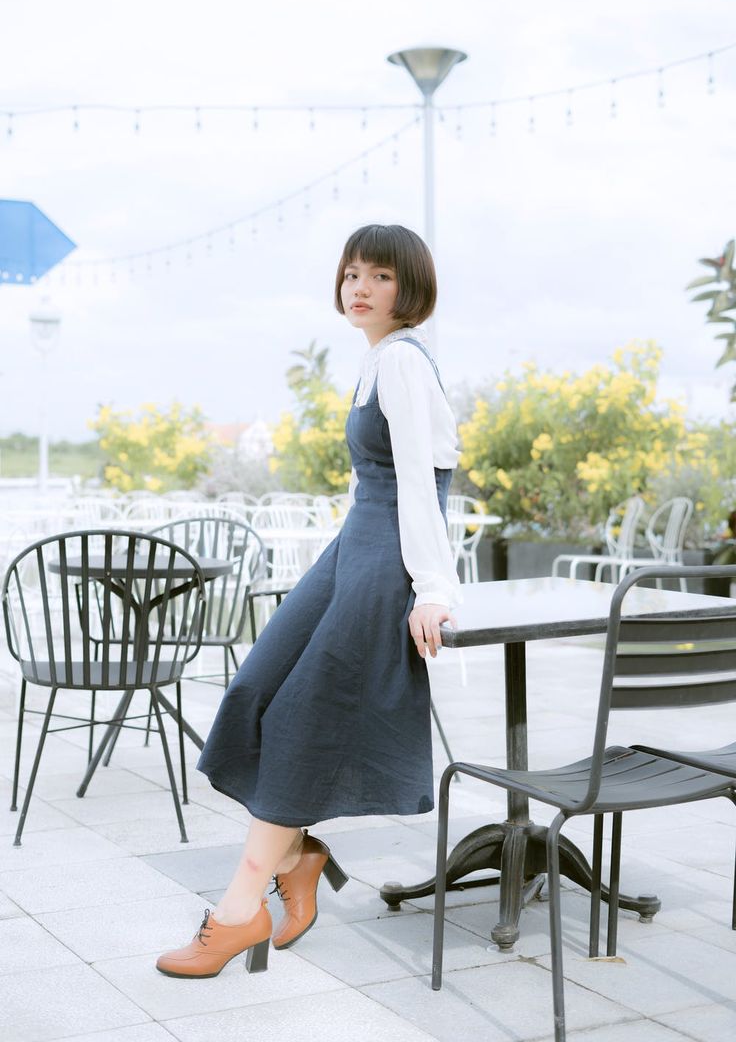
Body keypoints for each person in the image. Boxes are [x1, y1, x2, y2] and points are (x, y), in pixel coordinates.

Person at [156, 223, 462, 979]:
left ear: (410, 286)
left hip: (387, 557)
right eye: (353, 272)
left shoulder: (402, 365)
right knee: (257, 688)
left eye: (381, 276)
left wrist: (432, 589)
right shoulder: (375, 363)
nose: (361, 287)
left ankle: (237, 912)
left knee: (303, 718)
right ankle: (297, 856)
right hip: (355, 543)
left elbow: (422, 486)